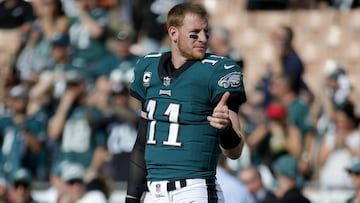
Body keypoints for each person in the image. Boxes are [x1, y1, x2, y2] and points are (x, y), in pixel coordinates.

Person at [126, 2, 247, 203]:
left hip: (194, 189)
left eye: (206, 32)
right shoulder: (148, 66)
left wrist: (225, 129)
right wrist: (132, 196)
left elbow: (235, 152)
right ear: (173, 33)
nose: (203, 39)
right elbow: (141, 143)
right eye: (195, 33)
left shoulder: (218, 70)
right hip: (154, 192)